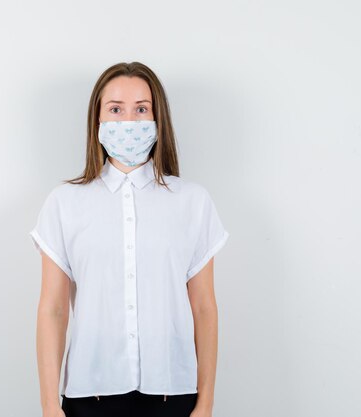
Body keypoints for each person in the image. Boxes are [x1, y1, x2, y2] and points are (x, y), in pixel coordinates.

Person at [29, 61, 230, 417]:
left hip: (174, 394)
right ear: (98, 120)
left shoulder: (192, 201)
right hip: (90, 397)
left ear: (158, 119)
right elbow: (54, 309)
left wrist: (206, 403)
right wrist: (49, 405)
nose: (129, 122)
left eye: (141, 109)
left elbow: (203, 308)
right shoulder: (64, 203)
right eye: (116, 110)